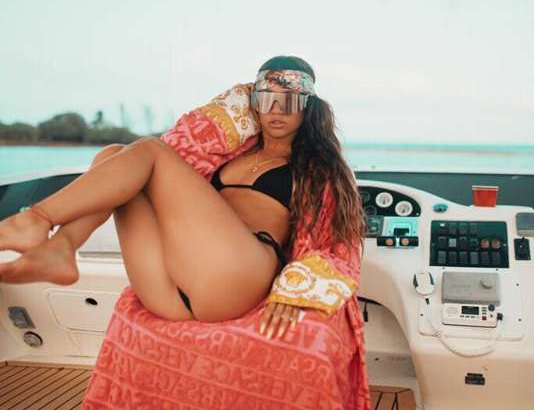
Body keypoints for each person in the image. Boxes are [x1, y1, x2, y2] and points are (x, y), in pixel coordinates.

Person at [0, 55, 366, 340]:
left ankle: (36, 220)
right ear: (253, 103)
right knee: (112, 155)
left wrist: (296, 292)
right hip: (171, 290)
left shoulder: (318, 167)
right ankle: (62, 247)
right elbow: (179, 144)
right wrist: (237, 101)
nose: (276, 110)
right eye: (267, 99)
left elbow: (336, 243)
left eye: (290, 101)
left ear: (308, 107)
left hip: (239, 276)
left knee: (149, 150)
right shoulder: (228, 155)